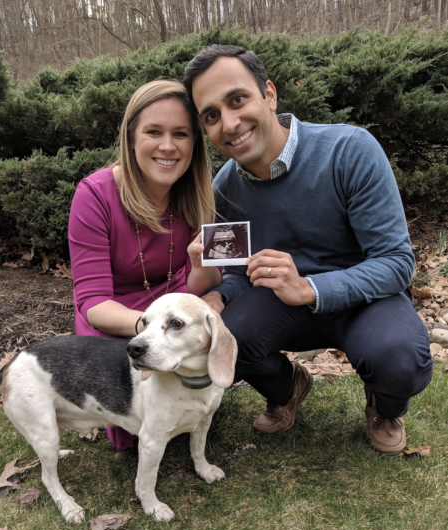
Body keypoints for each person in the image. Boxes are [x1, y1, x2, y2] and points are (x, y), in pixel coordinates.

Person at [183, 45, 433, 455]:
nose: (229, 123)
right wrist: (214, 297)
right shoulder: (224, 190)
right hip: (283, 307)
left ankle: (386, 406)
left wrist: (311, 288)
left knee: (398, 358)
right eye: (211, 115)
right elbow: (237, 276)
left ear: (269, 94)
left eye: (237, 100)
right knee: (223, 336)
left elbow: (396, 263)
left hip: (366, 301)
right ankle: (287, 386)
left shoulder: (350, 150)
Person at [69, 80, 221, 451]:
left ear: (194, 144)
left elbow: (199, 286)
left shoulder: (196, 193)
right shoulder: (94, 196)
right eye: (154, 131)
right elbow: (92, 304)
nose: (168, 146)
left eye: (181, 134)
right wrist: (152, 330)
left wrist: (200, 266)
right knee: (132, 432)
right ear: (131, 137)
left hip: (175, 306)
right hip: (116, 316)